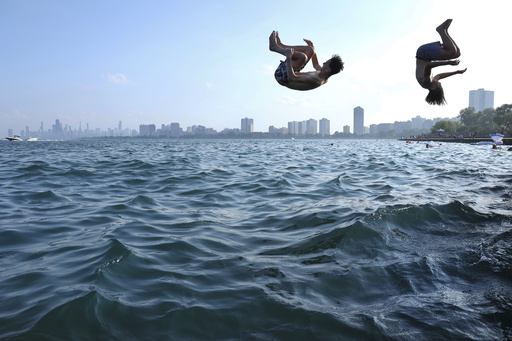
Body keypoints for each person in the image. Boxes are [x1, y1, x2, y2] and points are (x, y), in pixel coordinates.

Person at [269, 31, 343, 91]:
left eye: (325, 63)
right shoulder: (323, 74)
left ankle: (275, 48)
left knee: (302, 57)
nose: (323, 63)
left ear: (328, 70)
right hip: (291, 72)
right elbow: (316, 65)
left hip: (283, 77)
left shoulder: (316, 80)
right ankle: (280, 45)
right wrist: (312, 48)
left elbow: (292, 78)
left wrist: (288, 57)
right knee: (310, 50)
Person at [416, 19, 467, 105]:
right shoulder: (432, 83)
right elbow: (440, 76)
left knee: (452, 51)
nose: (439, 83)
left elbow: (428, 65)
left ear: (433, 87)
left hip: (423, 53)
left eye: (439, 85)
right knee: (457, 53)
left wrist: (448, 63)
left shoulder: (426, 82)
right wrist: (457, 72)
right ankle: (445, 31)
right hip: (428, 55)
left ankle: (441, 30)